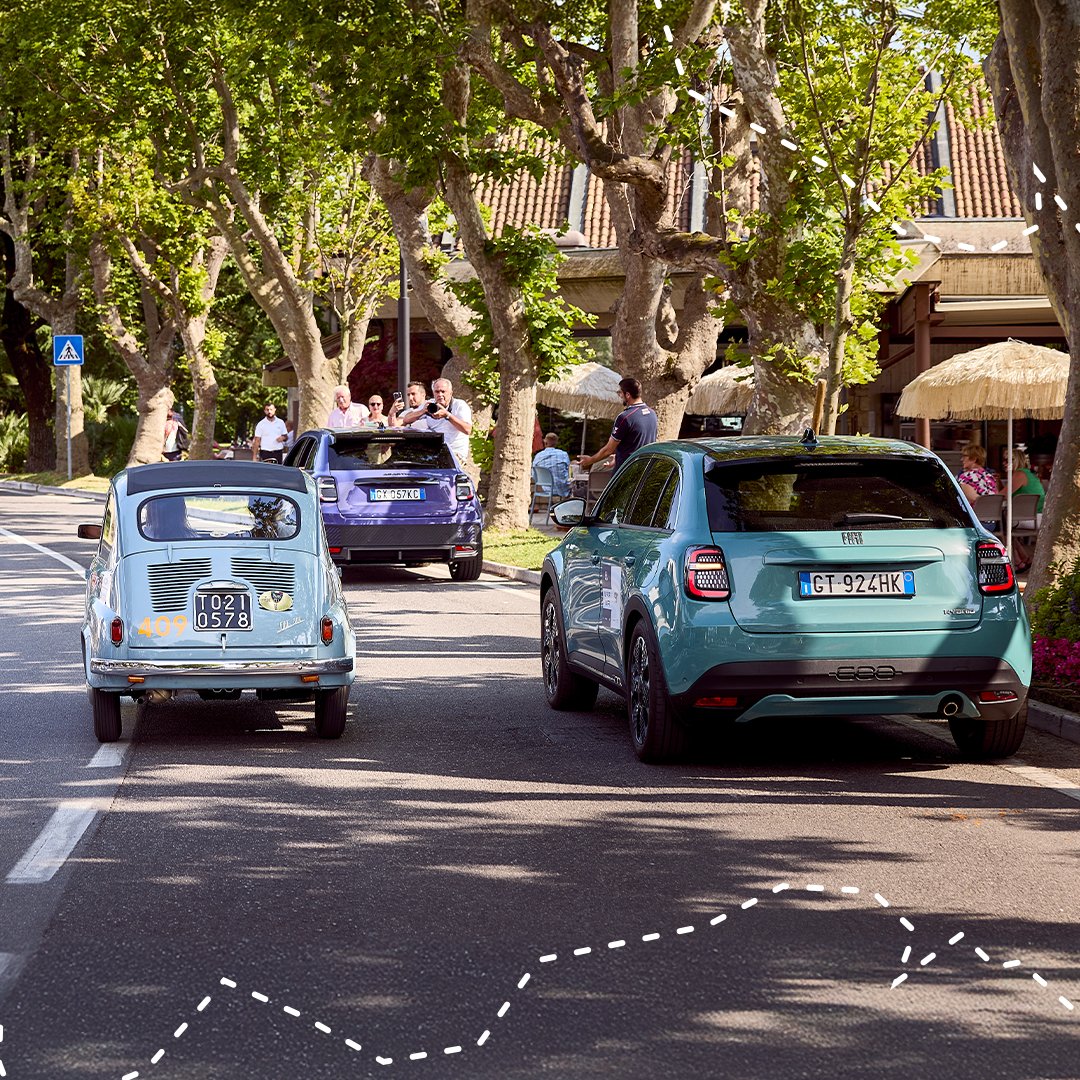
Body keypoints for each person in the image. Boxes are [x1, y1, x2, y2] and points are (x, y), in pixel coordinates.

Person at [577, 377, 658, 472]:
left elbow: (608, 449)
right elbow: (640, 443)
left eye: (620, 392)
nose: (619, 395)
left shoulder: (625, 417)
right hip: (645, 470)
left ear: (627, 395)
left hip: (627, 472)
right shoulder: (652, 414)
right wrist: (617, 458)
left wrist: (590, 460)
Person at [397, 377, 473, 462]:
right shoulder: (430, 404)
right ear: (433, 393)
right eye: (437, 392)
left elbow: (467, 430)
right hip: (434, 453)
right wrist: (423, 411)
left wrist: (447, 415)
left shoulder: (459, 405)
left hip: (454, 453)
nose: (440, 395)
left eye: (443, 391)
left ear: (451, 393)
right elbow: (406, 420)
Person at [1008, 446, 1045, 572]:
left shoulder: (1019, 474)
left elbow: (1002, 495)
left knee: (1000, 525)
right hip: (1038, 516)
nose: (1004, 463)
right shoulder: (1029, 474)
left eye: (1007, 460)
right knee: (1004, 524)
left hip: (1030, 518)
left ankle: (1017, 562)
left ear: (1015, 461)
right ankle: (1022, 559)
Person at [532, 432, 571, 498]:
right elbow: (569, 471)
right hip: (562, 489)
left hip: (545, 489)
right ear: (556, 443)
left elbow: (533, 474)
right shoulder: (563, 454)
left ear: (545, 442)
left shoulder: (538, 456)